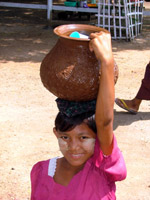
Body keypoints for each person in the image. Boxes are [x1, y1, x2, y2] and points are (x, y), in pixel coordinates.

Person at [30, 31, 127, 200]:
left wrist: (107, 62)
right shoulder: (41, 171)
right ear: (56, 133)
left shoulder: (101, 169)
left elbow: (104, 122)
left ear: (98, 138)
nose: (74, 147)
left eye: (83, 138)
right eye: (65, 137)